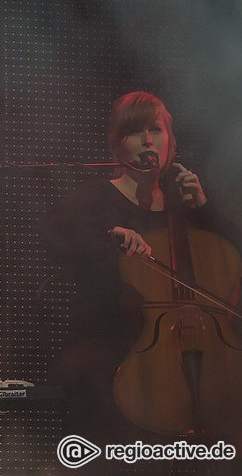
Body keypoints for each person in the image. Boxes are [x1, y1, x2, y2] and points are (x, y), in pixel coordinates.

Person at [40, 91, 242, 474]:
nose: (149, 141)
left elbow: (234, 253)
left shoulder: (187, 204)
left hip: (195, 343)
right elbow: (54, 232)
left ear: (170, 140)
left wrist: (206, 210)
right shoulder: (95, 199)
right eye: (136, 132)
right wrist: (108, 233)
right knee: (86, 371)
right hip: (116, 345)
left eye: (157, 130)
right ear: (117, 144)